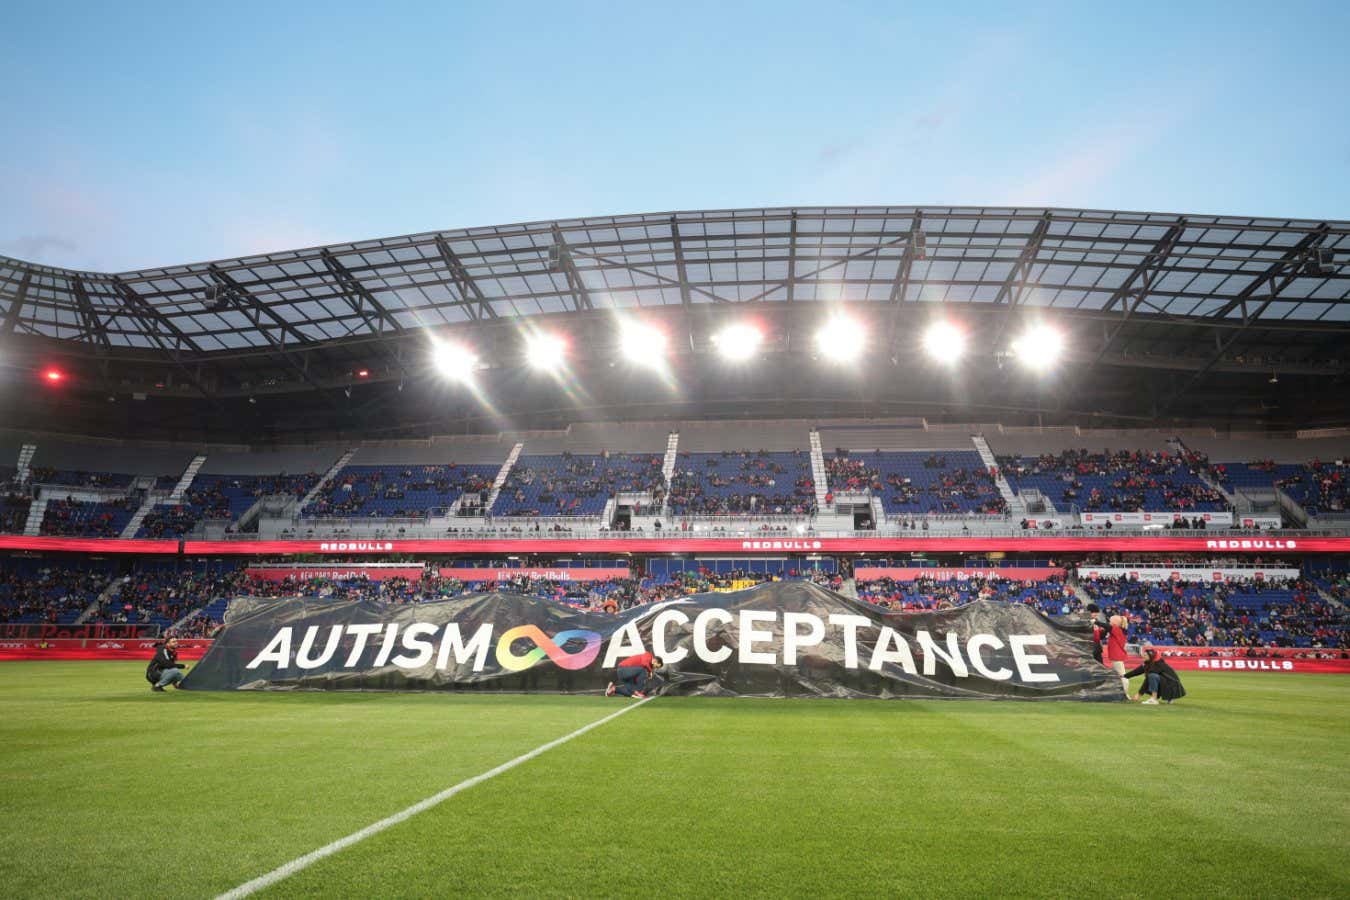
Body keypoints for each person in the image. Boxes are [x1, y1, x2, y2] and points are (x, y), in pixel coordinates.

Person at [1103, 614, 1131, 696]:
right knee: (1119, 675)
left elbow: (1107, 626)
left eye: (1110, 621)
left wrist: (1096, 622)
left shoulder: (1116, 629)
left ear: (1114, 623)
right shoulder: (1120, 630)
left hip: (1116, 656)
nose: (1109, 623)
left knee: (1122, 676)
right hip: (1117, 656)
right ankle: (1119, 692)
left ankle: (1125, 694)